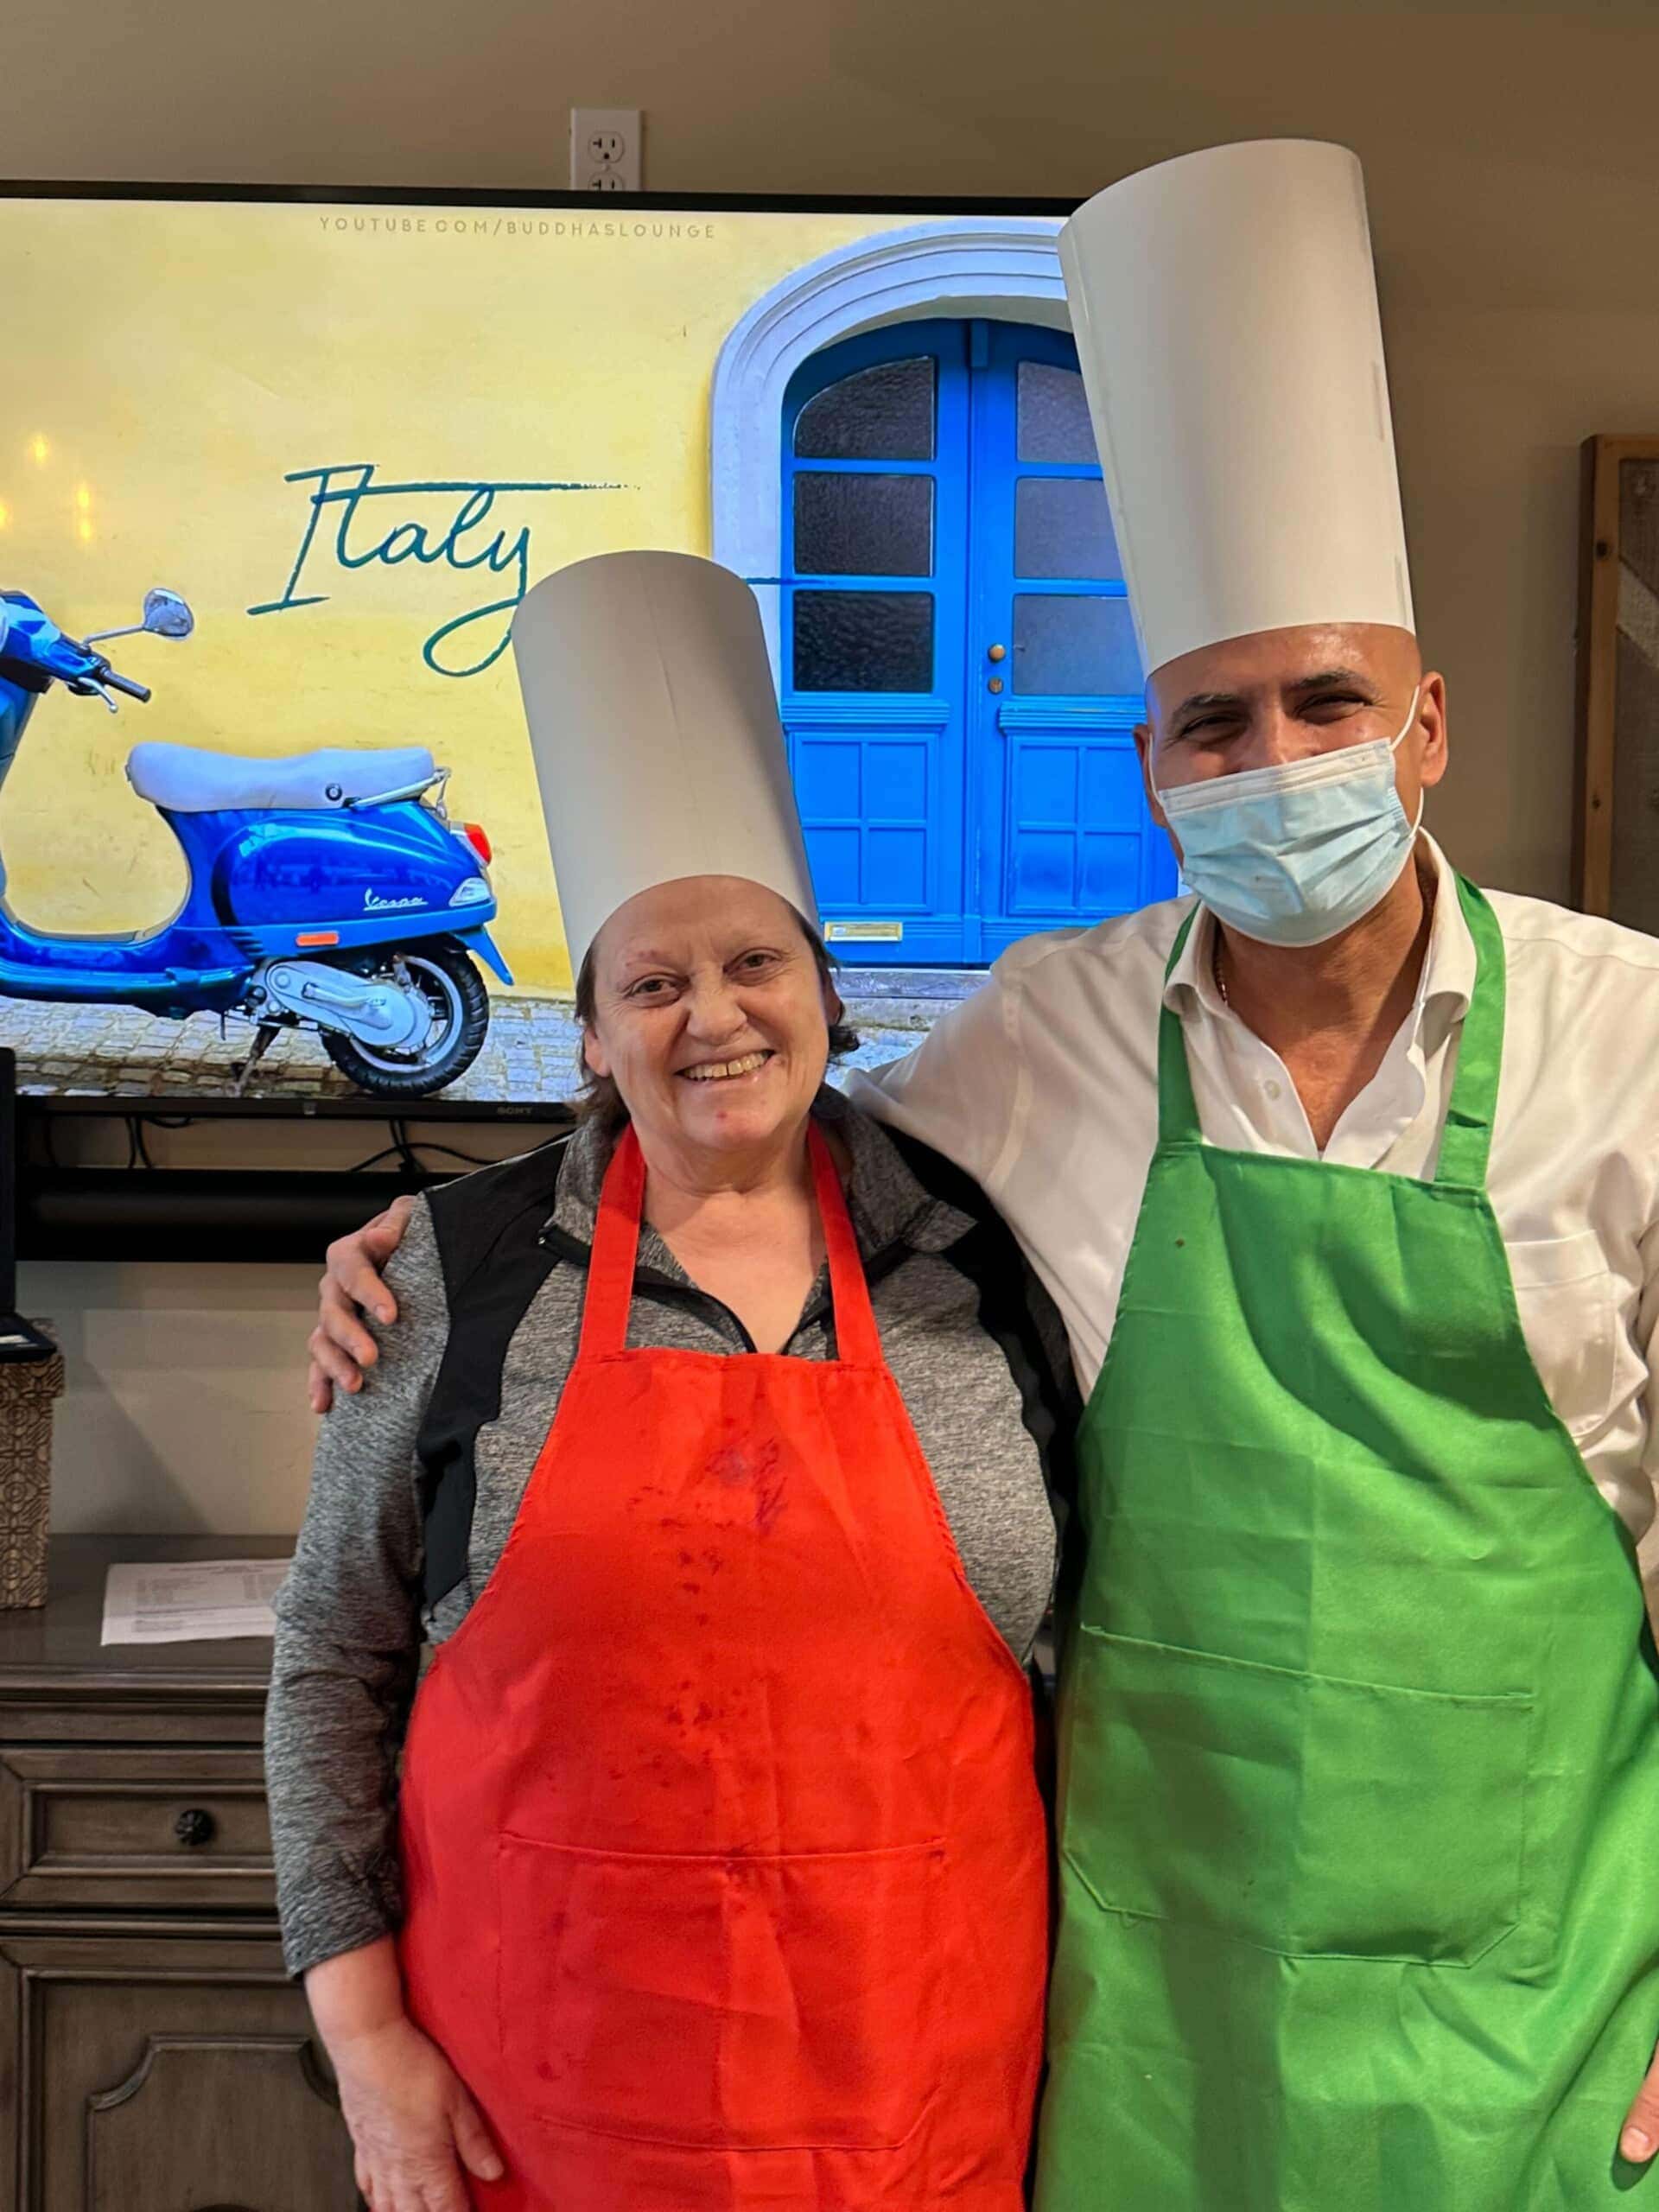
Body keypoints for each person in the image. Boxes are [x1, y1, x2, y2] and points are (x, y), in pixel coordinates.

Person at [314, 144, 1659, 2209]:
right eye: (1214, 720)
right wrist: (450, 1231)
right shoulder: (1050, 1028)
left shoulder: (1633, 1035)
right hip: (1149, 1999)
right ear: (1149, 761)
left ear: (1431, 727)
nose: (1274, 758)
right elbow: (731, 1109)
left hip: (1552, 1979)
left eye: (1326, 704)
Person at [270, 550, 1069, 2212]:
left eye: (755, 965)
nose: (714, 1017)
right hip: (540, 2101)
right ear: (588, 1037)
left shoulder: (987, 1267)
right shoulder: (451, 1276)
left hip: (916, 2102)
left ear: (829, 997)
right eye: (653, 983)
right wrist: (363, 2045)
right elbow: (331, 1661)